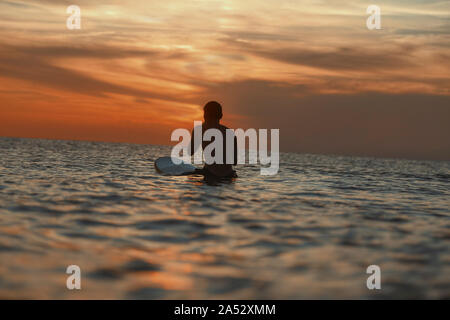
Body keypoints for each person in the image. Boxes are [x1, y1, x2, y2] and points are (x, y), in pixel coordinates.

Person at [190, 101, 238, 178]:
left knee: (189, 179)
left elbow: (190, 152)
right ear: (221, 115)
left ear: (205, 115)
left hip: (210, 174)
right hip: (229, 176)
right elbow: (234, 162)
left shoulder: (200, 129)